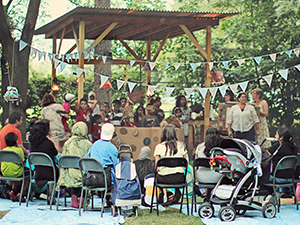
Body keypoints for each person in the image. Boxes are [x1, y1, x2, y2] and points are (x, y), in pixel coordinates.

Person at [56, 122, 92, 208]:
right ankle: (83, 199)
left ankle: (74, 197)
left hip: (69, 174)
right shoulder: (88, 144)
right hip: (83, 173)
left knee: (73, 174)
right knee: (85, 175)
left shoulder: (67, 143)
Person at [153, 124, 187, 204]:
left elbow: (157, 167)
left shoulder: (159, 147)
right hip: (180, 178)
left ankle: (162, 192)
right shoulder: (181, 146)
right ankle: (177, 191)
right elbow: (185, 163)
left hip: (163, 179)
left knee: (158, 174)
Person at [87, 123, 118, 206]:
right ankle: (111, 197)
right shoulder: (113, 148)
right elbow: (116, 166)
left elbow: (87, 159)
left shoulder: (94, 145)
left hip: (91, 178)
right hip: (106, 178)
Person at [29, 120, 59, 202]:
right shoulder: (48, 143)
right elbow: (55, 153)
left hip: (37, 171)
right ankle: (52, 194)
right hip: (51, 172)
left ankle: (36, 192)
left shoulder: (32, 143)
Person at [267, 127, 297, 198]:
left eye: (276, 134)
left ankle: (269, 195)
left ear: (281, 138)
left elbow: (266, 155)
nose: (275, 136)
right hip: (290, 178)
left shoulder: (277, 146)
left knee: (264, 176)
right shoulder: (293, 148)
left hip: (277, 177)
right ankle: (287, 192)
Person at [195, 127, 223, 198]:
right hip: (218, 177)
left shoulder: (199, 147)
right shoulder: (221, 148)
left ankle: (207, 194)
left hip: (202, 177)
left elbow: (196, 166)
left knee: (206, 171)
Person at [1, 133, 29, 202]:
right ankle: (21, 193)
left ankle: (13, 191)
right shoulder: (19, 150)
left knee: (14, 172)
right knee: (28, 175)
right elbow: (22, 162)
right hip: (16, 172)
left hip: (4, 172)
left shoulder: (3, 151)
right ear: (16, 142)